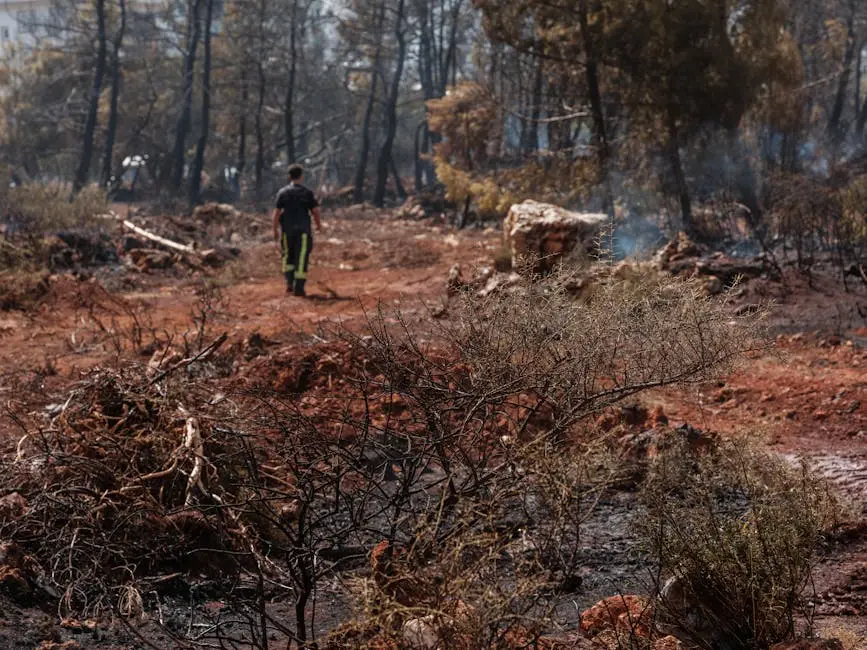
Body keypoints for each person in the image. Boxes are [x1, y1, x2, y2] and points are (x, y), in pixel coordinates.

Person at [272, 164, 322, 297]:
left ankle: (289, 283)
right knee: (301, 257)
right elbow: (315, 211)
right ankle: (299, 287)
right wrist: (318, 225)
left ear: (289, 176)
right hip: (303, 231)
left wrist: (275, 229)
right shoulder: (307, 193)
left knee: (288, 255)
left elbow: (276, 213)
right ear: (301, 176)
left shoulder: (282, 193)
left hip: (287, 231)